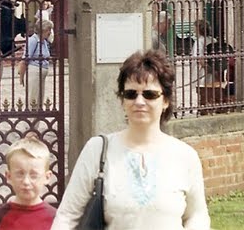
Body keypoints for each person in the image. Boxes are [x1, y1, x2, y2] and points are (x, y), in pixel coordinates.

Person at [51, 50, 210, 229]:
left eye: (149, 94)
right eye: (131, 94)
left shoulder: (184, 156)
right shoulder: (98, 150)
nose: (139, 101)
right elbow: (68, 215)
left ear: (165, 100)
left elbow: (196, 215)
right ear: (122, 100)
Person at [0, 133, 57, 230]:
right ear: (9, 176)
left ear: (47, 177)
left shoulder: (56, 219)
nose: (26, 181)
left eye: (33, 175)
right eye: (20, 174)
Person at [19, 19, 52, 109]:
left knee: (39, 102)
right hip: (34, 73)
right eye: (48, 29)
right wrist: (21, 77)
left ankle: (36, 122)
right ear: (42, 30)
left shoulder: (44, 41)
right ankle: (30, 122)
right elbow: (24, 60)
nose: (50, 32)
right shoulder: (33, 40)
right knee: (33, 101)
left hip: (41, 74)